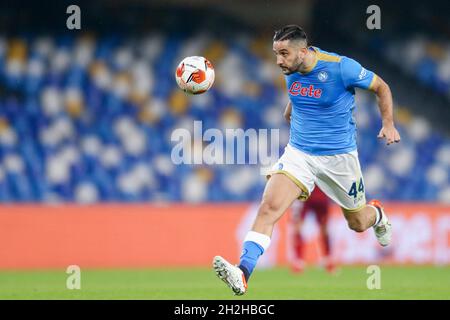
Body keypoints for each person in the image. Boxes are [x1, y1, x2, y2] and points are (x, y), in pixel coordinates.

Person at [213, 25, 400, 296]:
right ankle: (243, 272)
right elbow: (299, 95)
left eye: (284, 54)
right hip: (299, 153)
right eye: (276, 54)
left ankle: (378, 214)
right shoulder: (290, 70)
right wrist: (290, 111)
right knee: (269, 207)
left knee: (358, 223)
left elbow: (381, 86)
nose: (278, 61)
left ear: (303, 51)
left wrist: (389, 123)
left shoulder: (341, 68)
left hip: (339, 158)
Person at [290, 187, 335, 274]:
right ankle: (298, 262)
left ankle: (328, 260)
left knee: (324, 228)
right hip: (304, 193)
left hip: (321, 194)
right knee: (297, 226)